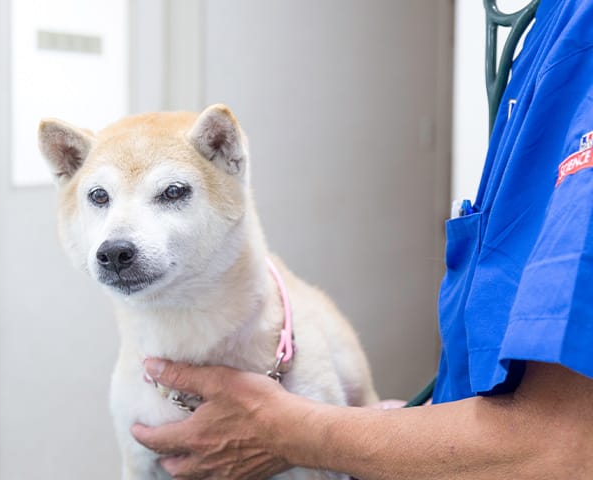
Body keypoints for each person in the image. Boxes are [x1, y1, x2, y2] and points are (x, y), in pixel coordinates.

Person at [131, 0, 593, 477]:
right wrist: (414, 427)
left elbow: (562, 447)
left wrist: (280, 431)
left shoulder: (582, 35)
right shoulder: (545, 33)